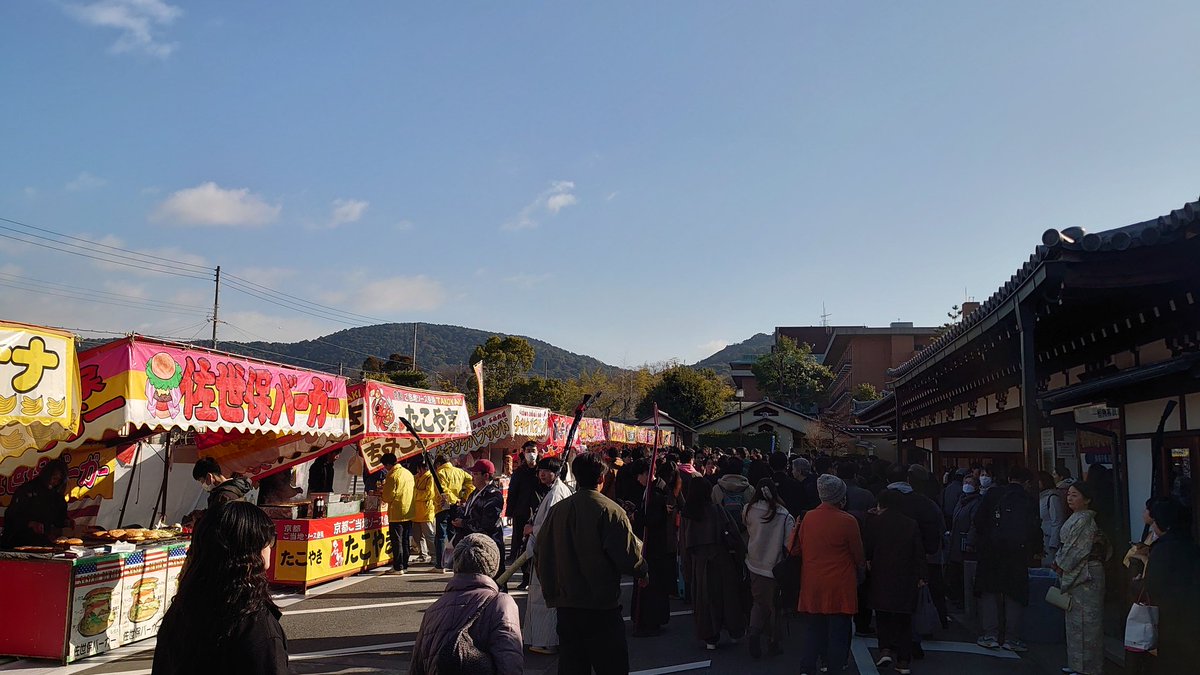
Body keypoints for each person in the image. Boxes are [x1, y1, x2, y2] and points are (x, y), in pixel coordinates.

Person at [535, 452, 647, 675]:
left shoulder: (558, 510)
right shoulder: (611, 510)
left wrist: (552, 591)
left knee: (572, 666)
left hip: (567, 604)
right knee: (611, 666)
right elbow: (627, 555)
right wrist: (642, 571)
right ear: (602, 478)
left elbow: (542, 553)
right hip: (601, 606)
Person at [152, 502, 291, 674]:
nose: (271, 547)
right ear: (253, 551)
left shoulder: (182, 607)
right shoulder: (253, 622)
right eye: (270, 541)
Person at [409, 533, 523, 675]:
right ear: (493, 565)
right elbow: (509, 662)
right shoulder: (501, 603)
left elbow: (417, 668)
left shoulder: (433, 610)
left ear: (456, 564)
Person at [789, 474, 864, 675]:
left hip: (813, 580)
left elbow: (795, 549)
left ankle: (807, 667)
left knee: (814, 629)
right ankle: (834, 668)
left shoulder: (808, 518)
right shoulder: (848, 521)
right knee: (839, 632)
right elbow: (858, 555)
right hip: (840, 582)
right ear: (841, 496)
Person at [974, 467, 1041, 652]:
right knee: (1015, 593)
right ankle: (1012, 638)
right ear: (1027, 483)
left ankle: (990, 635)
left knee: (989, 591)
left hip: (990, 551)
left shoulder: (993, 494)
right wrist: (1035, 550)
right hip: (1017, 554)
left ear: (1009, 477)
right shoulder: (1029, 500)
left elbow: (978, 521)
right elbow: (1035, 528)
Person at [865, 489, 927, 675]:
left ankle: (884, 649)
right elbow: (918, 551)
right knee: (904, 620)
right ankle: (903, 661)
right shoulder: (910, 524)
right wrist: (922, 576)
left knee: (882, 615)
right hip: (906, 575)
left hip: (881, 573)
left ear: (881, 503)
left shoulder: (875, 522)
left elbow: (868, 548)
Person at [683, 475, 748, 650]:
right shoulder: (716, 510)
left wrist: (687, 570)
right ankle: (735, 631)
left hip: (699, 562)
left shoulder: (688, 514)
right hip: (721, 559)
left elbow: (684, 546)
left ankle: (710, 637)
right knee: (728, 598)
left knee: (705, 601)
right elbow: (733, 534)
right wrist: (741, 557)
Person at [1051, 482, 1106, 675]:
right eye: (1068, 495)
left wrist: (1060, 564)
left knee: (1088, 622)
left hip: (1087, 572)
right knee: (1075, 619)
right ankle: (1077, 665)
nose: (1069, 498)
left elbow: (1076, 550)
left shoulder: (1085, 520)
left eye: (1074, 495)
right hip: (1079, 570)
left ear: (1087, 499)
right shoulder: (1077, 517)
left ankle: (1089, 668)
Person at [1144, 499, 1200, 673]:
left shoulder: (1162, 549)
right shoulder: (1192, 545)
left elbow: (1153, 585)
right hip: (1193, 613)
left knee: (1172, 660)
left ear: (1164, 524)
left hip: (1170, 615)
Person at [524, 456, 572, 656]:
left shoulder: (557, 493)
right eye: (540, 470)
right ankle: (543, 639)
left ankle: (547, 641)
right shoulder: (555, 491)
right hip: (548, 550)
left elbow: (549, 525)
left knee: (545, 598)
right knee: (542, 597)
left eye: (546, 470)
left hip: (550, 552)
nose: (541, 474)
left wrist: (530, 529)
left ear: (557, 472)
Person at [742, 477, 794, 659]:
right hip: (775, 566)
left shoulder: (749, 509)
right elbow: (789, 544)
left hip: (754, 563)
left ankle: (754, 632)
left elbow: (747, 529)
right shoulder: (784, 515)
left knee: (758, 602)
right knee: (774, 606)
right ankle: (772, 641)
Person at [1, 459, 71, 549]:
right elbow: (11, 516)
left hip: (42, 544)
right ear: (47, 474)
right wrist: (30, 523)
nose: (55, 482)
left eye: (59, 480)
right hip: (17, 542)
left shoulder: (56, 495)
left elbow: (59, 519)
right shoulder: (27, 489)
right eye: (54, 478)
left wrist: (66, 521)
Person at [505, 441, 544, 589]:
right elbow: (513, 492)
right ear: (523, 452)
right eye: (528, 450)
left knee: (538, 545)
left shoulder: (542, 469)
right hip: (521, 513)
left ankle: (539, 578)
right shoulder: (519, 471)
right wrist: (509, 511)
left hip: (539, 512)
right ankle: (526, 578)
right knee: (522, 547)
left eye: (533, 450)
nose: (531, 453)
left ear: (537, 451)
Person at [433, 455, 474, 572]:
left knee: (441, 535)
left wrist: (452, 498)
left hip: (443, 506)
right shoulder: (460, 472)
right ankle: (456, 561)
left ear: (437, 464)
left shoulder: (440, 473)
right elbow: (471, 482)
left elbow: (443, 490)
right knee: (454, 534)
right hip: (456, 506)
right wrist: (464, 497)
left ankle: (440, 565)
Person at [946, 475, 982, 609]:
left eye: (970, 483)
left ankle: (963, 601)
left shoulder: (976, 502)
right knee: (956, 571)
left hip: (965, 543)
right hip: (956, 541)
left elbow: (974, 524)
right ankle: (957, 598)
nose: (967, 485)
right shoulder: (961, 501)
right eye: (965, 482)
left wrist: (970, 542)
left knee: (963, 573)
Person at [456, 460, 504, 555]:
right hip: (471, 546)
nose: (472, 476)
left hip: (487, 547)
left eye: (475, 474)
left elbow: (486, 524)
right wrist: (454, 508)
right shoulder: (474, 493)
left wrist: (463, 523)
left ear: (486, 476)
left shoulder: (494, 496)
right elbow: (469, 514)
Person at [380, 453, 415, 575]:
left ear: (389, 464)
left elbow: (388, 496)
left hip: (396, 512)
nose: (385, 468)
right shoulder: (408, 473)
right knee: (405, 539)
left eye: (385, 465)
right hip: (409, 511)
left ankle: (398, 566)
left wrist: (381, 495)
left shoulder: (392, 475)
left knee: (397, 540)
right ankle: (404, 564)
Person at [1038, 471, 1067, 567]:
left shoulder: (1052, 497)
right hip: (1043, 538)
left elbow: (1057, 521)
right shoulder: (1040, 496)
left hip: (1049, 539)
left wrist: (1053, 543)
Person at [411, 462, 437, 563]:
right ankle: (423, 554)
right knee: (417, 536)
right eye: (420, 469)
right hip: (415, 511)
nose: (421, 471)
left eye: (423, 469)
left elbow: (429, 494)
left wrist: (415, 493)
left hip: (426, 511)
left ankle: (434, 556)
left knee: (429, 535)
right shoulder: (415, 477)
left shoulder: (430, 477)